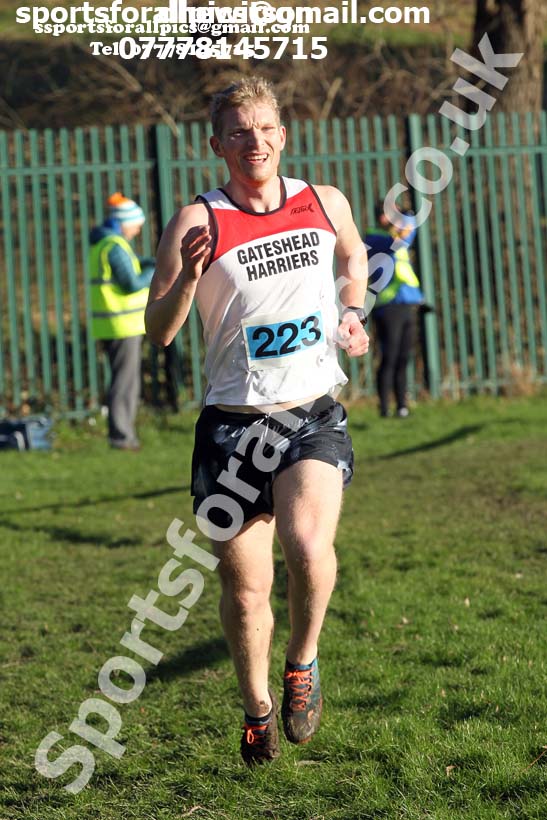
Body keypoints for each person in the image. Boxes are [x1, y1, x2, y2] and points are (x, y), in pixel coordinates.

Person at [145, 77, 369, 765]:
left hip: (309, 416)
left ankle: (301, 665)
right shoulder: (196, 220)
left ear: (283, 133)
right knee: (245, 596)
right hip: (232, 428)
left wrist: (351, 311)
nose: (255, 141)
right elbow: (156, 330)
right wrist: (186, 280)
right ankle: (256, 708)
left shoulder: (321, 201)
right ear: (217, 144)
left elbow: (354, 256)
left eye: (265, 127)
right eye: (239, 131)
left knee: (306, 547)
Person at [89, 193, 155, 449]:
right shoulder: (114, 245)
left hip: (111, 324)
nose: (138, 229)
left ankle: (122, 434)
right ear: (125, 222)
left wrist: (146, 263)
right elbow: (131, 283)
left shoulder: (106, 243)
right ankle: (122, 437)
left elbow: (131, 266)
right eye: (136, 223)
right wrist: (155, 270)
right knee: (124, 382)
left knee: (122, 379)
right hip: (121, 324)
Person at [366, 203, 425, 418]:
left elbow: (407, 238)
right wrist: (405, 224)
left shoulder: (399, 233)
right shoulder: (373, 236)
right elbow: (397, 243)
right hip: (387, 307)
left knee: (403, 357)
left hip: (406, 304)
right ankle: (384, 408)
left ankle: (402, 406)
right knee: (389, 357)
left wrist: (407, 220)